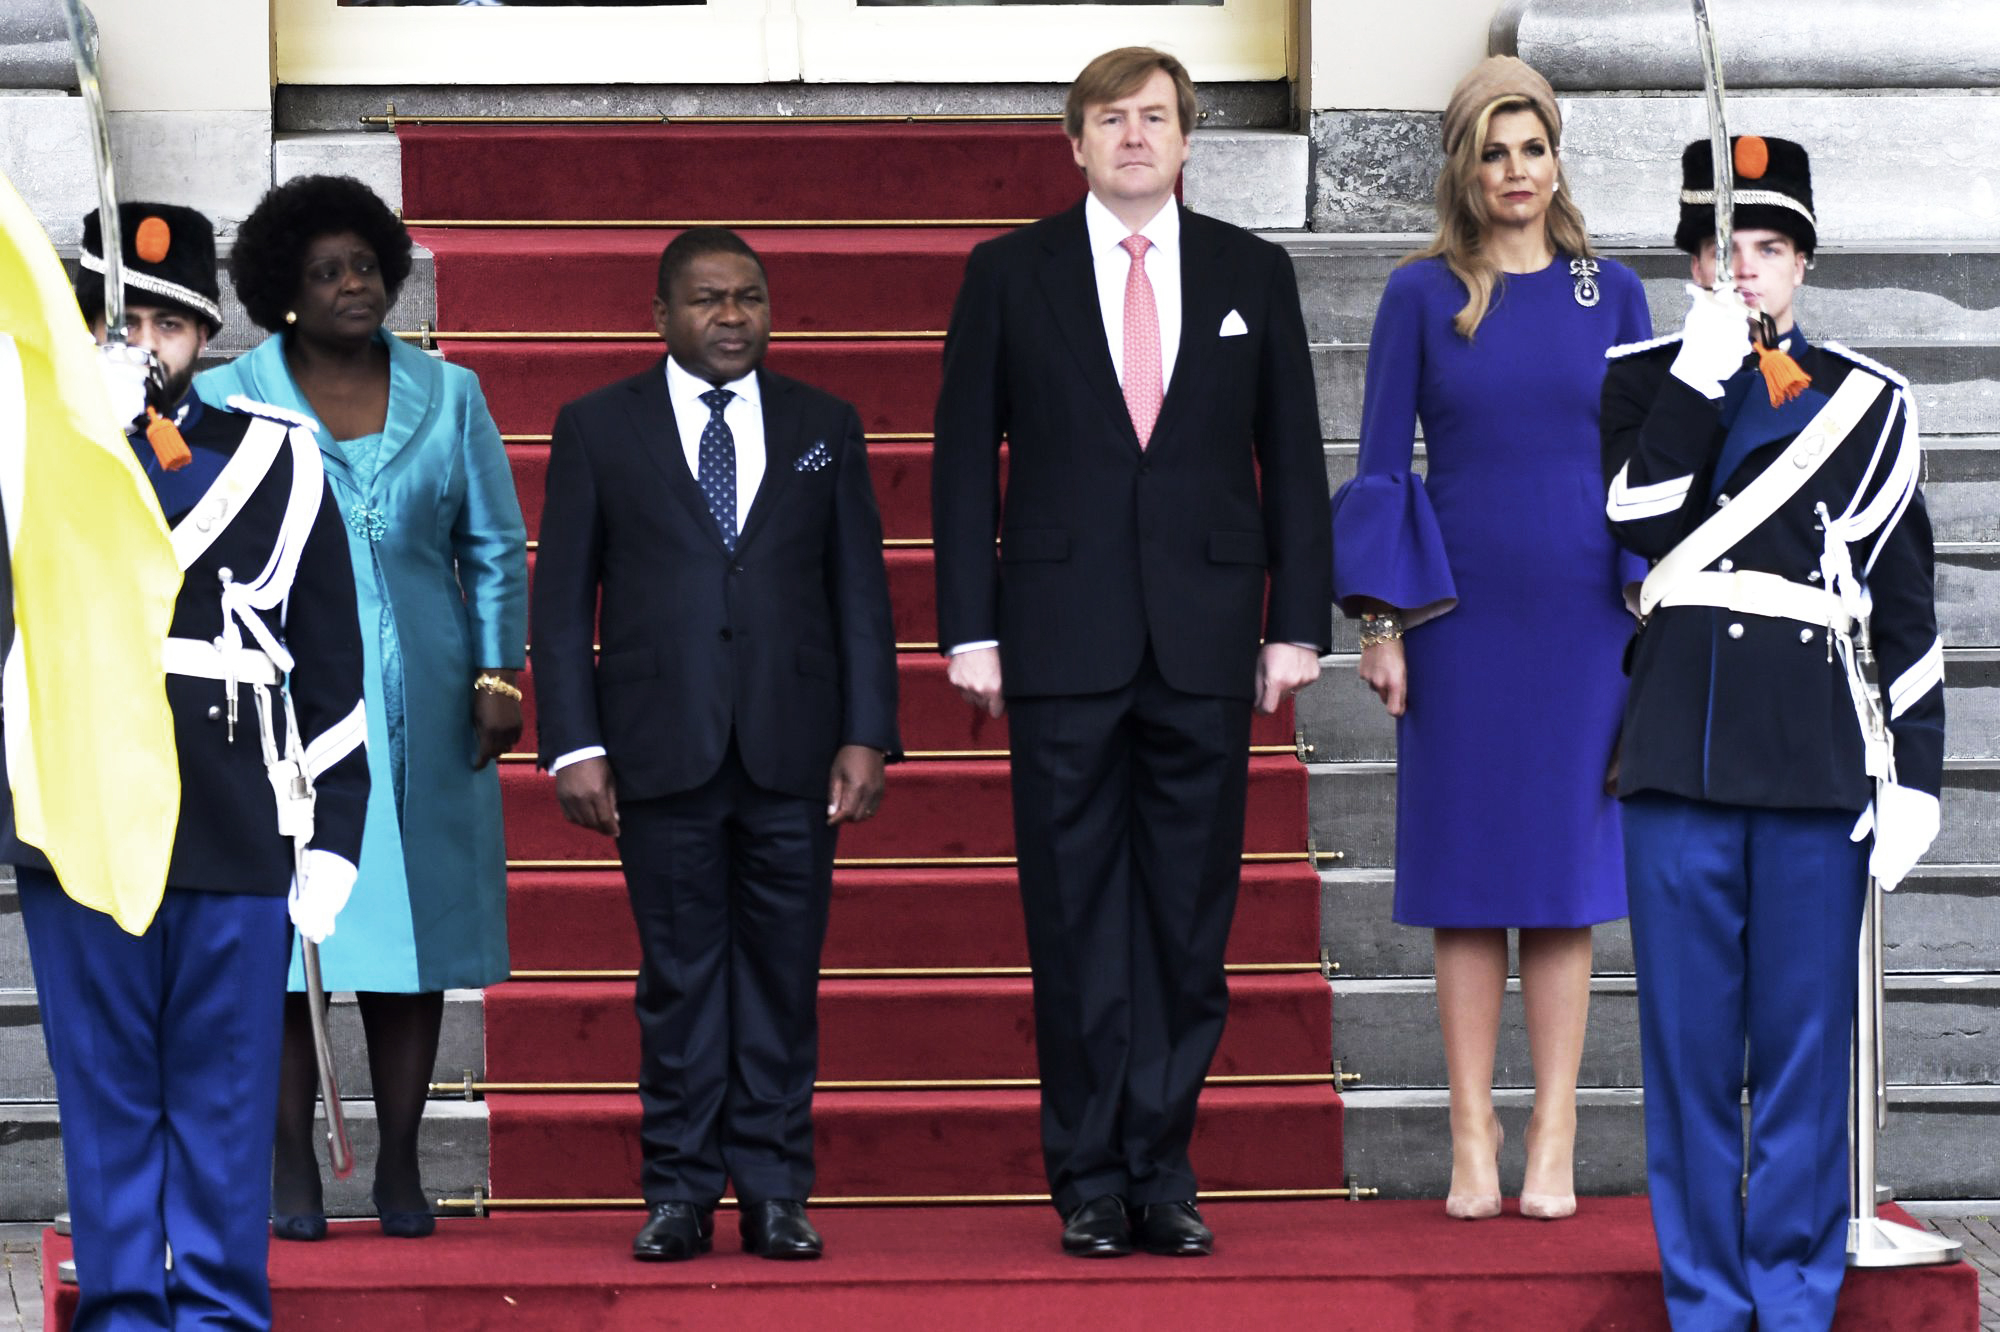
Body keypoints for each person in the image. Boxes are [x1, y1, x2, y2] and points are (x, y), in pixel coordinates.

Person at [931, 47, 1330, 1258]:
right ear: (1074, 143)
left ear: (1187, 137)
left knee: (1184, 921)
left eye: (1154, 117)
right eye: (1111, 119)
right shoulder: (1008, 273)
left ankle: (1162, 1167)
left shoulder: (1250, 272)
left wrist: (1295, 622)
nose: (1135, 136)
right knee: (1071, 921)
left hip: (1206, 643)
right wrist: (969, 628)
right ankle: (1088, 1178)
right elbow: (960, 464)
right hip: (1057, 643)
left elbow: (1293, 458)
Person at [2, 202, 367, 1330]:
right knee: (106, 1095)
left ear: (204, 338)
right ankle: (119, 1309)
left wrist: (337, 835)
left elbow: (330, 664)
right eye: (115, 323)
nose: (140, 347)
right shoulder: (30, 463)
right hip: (83, 806)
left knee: (220, 1099)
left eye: (164, 324)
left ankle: (215, 1310)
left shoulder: (279, 461)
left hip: (232, 811)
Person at [1602, 136, 1943, 1329]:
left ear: (1799, 262)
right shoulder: (1642, 379)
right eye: (1717, 249)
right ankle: (1702, 1299)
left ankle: (1790, 1300)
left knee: (1803, 1057)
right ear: (1691, 265)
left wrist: (1918, 777)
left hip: (1809, 757)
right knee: (1687, 1057)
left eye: (1764, 248)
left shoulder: (1868, 402)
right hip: (1679, 754)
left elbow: (1902, 606)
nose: (1741, 270)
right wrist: (1700, 378)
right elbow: (1638, 527)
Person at [531, 226, 899, 1263]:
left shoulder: (823, 423)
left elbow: (859, 593)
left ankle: (776, 1189)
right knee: (680, 979)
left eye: (748, 296)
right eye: (706, 299)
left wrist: (867, 732)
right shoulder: (599, 426)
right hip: (658, 749)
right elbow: (561, 603)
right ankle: (679, 1191)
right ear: (661, 315)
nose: (731, 315)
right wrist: (573, 744)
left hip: (795, 749)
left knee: (783, 977)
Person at [1329, 56, 1650, 1222]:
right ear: (1462, 166)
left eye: (1532, 147)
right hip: (1457, 621)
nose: (1514, 170)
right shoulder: (1420, 293)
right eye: (1491, 150)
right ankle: (1470, 1135)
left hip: (1581, 624)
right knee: (1467, 887)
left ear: (1555, 157)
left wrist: (1640, 598)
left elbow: (1640, 462)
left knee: (1563, 888)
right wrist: (1381, 625)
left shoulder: (1608, 293)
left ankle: (1551, 1132)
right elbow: (1376, 466)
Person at [197, 174, 528, 1239]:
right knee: (291, 936)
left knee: (415, 940)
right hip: (282, 694)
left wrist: (495, 673)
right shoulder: (229, 396)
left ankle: (396, 1165)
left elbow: (490, 544)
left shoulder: (454, 392)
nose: (354, 284)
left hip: (429, 698)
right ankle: (289, 1165)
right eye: (326, 271)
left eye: (366, 265)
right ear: (281, 291)